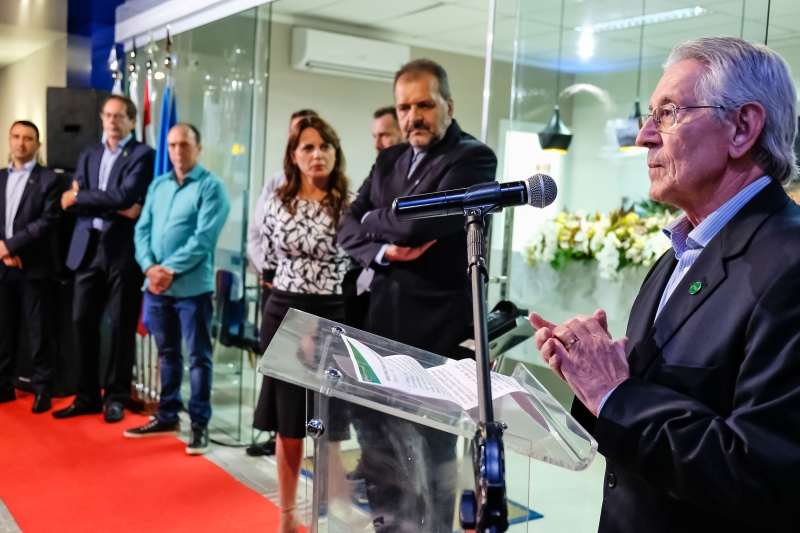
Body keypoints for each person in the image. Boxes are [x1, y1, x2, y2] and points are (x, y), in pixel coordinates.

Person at [531, 37, 800, 533]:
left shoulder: (789, 265)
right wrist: (592, 384)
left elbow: (763, 474)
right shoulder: (680, 249)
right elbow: (649, 400)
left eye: (668, 113)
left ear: (742, 127)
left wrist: (613, 394)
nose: (643, 136)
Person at [337, 59, 497, 532]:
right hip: (378, 332)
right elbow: (349, 224)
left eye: (424, 105)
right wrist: (385, 244)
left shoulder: (473, 159)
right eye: (405, 107)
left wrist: (376, 220)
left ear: (448, 105)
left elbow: (415, 224)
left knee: (429, 466)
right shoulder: (390, 159)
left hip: (436, 341)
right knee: (381, 457)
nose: (413, 117)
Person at [254, 115, 352, 533]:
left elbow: (360, 259)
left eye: (324, 146)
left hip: (333, 312)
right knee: (289, 423)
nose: (317, 154)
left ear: (335, 151)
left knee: (328, 426)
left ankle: (327, 516)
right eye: (308, 147)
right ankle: (288, 517)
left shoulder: (351, 201)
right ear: (293, 155)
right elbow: (267, 255)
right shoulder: (277, 197)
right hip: (285, 314)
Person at [124, 123, 230, 455]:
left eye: (184, 145)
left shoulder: (212, 188)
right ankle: (167, 416)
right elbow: (142, 230)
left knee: (198, 358)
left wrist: (168, 270)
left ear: (198, 149)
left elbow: (204, 239)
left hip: (192, 289)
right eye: (171, 146)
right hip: (156, 286)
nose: (177, 151)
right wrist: (149, 267)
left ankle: (199, 425)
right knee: (167, 355)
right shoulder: (158, 185)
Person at [53, 95, 154, 423]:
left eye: (118, 116)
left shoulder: (142, 154)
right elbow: (80, 202)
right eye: (107, 115)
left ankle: (116, 396)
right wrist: (101, 201)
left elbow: (123, 195)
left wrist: (83, 196)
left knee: (122, 325)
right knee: (82, 321)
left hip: (121, 249)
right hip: (86, 247)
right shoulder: (90, 152)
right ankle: (86, 395)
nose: (111, 121)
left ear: (131, 121)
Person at [245, 108, 318, 458]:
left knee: (308, 371)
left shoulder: (334, 191)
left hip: (315, 299)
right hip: (276, 289)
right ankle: (278, 433)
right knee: (277, 372)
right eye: (298, 140)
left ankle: (306, 438)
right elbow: (257, 233)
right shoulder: (277, 183)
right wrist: (269, 273)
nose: (309, 151)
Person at [0, 121, 61, 413]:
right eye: (16, 137)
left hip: (35, 267)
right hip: (3, 266)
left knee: (39, 331)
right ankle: (3, 386)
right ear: (9, 140)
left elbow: (47, 223)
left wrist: (11, 247)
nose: (21, 143)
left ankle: (42, 389)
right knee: (3, 330)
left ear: (37, 144)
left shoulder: (49, 180)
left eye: (28, 138)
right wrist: (3, 251)